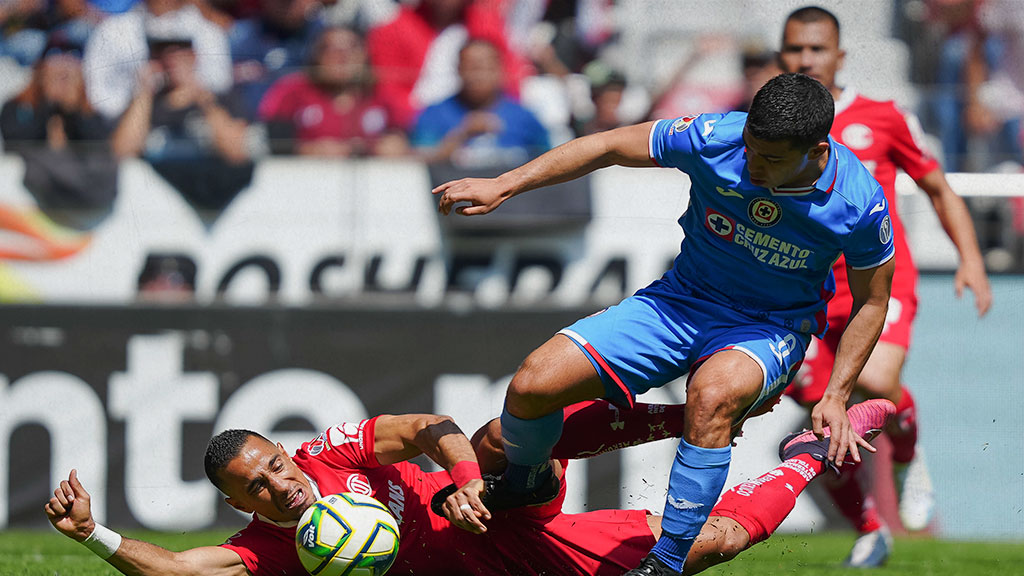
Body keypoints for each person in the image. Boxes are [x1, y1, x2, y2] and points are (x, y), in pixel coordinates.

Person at [434, 71, 896, 576]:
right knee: (532, 383)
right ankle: (527, 482)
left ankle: (667, 561)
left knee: (711, 396)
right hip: (680, 301)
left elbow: (872, 302)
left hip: (768, 328)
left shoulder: (857, 204)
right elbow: (609, 144)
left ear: (817, 149)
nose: (752, 164)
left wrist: (836, 393)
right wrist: (506, 183)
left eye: (770, 159)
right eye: (750, 149)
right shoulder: (714, 136)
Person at [45, 397, 895, 576]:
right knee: (722, 543)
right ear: (243, 507)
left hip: (501, 521)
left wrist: (460, 483)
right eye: (259, 488)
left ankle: (695, 416)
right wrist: (92, 535)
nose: (282, 485)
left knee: (504, 438)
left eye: (276, 463)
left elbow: (421, 427)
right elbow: (177, 572)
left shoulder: (335, 454)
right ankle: (808, 454)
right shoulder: (266, 551)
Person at [776, 6, 993, 567]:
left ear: (840, 55)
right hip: (806, 292)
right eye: (795, 49)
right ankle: (872, 526)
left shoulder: (882, 116)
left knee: (875, 381)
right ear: (782, 55)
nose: (805, 59)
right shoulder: (767, 125)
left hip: (878, 280)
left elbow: (939, 188)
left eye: (816, 49)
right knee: (817, 420)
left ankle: (907, 453)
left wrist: (970, 257)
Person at [110, 34, 254, 219]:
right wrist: (144, 91)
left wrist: (202, 98)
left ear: (194, 56)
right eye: (161, 53)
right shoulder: (143, 106)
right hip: (157, 206)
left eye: (180, 52)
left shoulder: (222, 99)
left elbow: (237, 152)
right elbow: (122, 153)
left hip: (210, 200)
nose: (170, 60)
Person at [0, 32, 117, 230]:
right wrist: (47, 101)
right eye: (55, 56)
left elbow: (100, 145)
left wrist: (73, 110)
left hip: (78, 204)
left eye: (72, 57)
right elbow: (17, 141)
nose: (63, 67)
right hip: (27, 201)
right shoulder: (17, 105)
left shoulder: (91, 113)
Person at [258, 26, 407, 158]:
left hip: (373, 180)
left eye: (352, 48)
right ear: (317, 56)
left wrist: (397, 144)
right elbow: (269, 139)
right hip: (304, 179)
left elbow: (411, 133)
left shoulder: (380, 92)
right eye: (332, 49)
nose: (343, 57)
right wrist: (305, 150)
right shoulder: (293, 91)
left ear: (364, 54)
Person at [412, 38, 549, 167]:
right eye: (471, 68)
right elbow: (419, 163)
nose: (478, 76)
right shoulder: (433, 115)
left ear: (500, 71)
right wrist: (461, 135)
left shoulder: (524, 118)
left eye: (485, 68)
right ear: (458, 69)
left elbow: (548, 161)